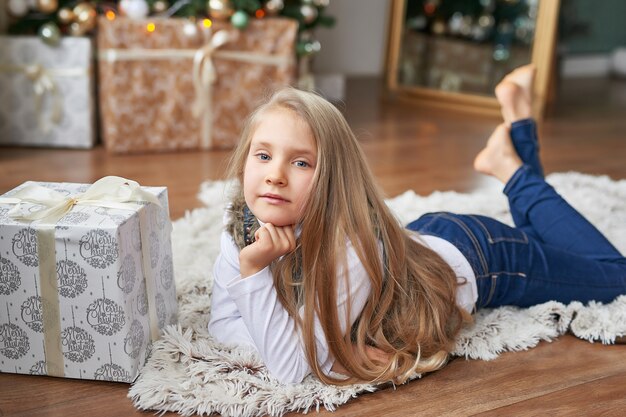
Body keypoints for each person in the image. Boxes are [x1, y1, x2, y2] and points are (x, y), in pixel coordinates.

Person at [208, 65, 626, 386]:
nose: (274, 175)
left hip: (486, 257)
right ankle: (517, 127)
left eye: (300, 162)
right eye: (262, 156)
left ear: (333, 179)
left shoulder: (348, 246)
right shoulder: (241, 226)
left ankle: (512, 171)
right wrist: (277, 315)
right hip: (426, 240)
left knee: (614, 274)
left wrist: (253, 272)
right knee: (546, 241)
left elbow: (289, 367)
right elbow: (222, 326)